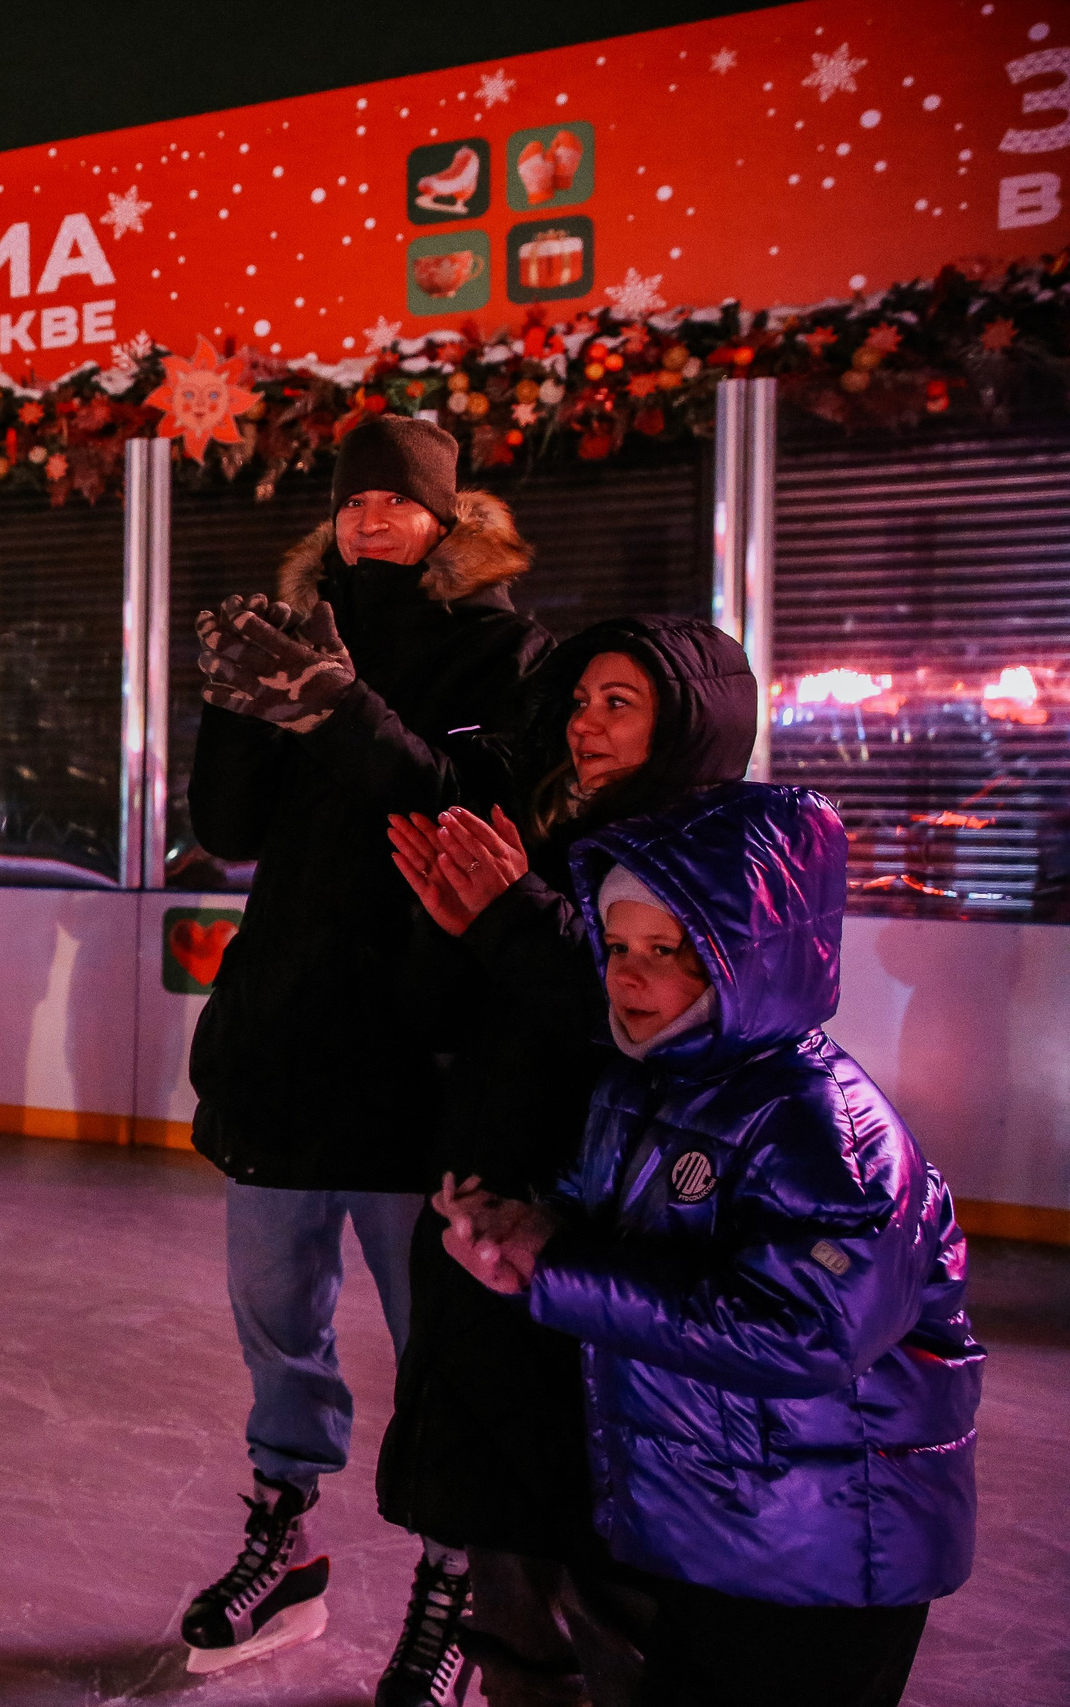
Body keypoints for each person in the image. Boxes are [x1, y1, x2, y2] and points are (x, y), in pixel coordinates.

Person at [437, 782, 981, 1707]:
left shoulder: (832, 1136)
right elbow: (596, 1213)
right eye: (616, 947)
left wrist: (559, 1271)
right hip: (716, 1528)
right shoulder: (643, 1086)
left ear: (751, 955)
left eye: (668, 951)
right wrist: (518, 1228)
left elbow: (806, 1332)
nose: (627, 975)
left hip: (831, 1551)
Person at [179, 415, 551, 1704]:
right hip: (283, 1046)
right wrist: (235, 705)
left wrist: (339, 707)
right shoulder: (300, 631)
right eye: (350, 504)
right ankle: (283, 1535)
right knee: (276, 1322)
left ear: (447, 519)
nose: (368, 519)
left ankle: (456, 1584)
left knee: (436, 1344)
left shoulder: (501, 649)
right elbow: (224, 832)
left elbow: (465, 811)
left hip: (419, 1058)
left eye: (395, 501)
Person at [373, 618, 757, 1707]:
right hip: (495, 1208)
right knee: (500, 1522)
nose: (586, 725)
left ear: (687, 720)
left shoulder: (712, 862)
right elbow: (451, 1017)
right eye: (581, 701)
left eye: (619, 703)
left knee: (605, 1554)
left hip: (612, 1224)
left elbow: (631, 1020)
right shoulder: (545, 837)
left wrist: (508, 920)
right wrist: (449, 927)